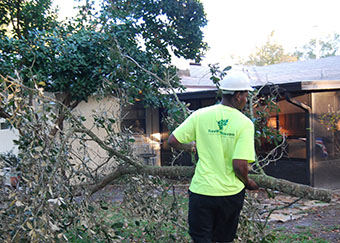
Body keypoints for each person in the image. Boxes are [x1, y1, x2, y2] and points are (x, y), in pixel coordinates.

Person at [168, 71, 258, 243]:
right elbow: (239, 165)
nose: (246, 100)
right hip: (230, 195)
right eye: (246, 96)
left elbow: (172, 140)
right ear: (238, 96)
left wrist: (190, 147)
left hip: (202, 191)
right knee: (224, 239)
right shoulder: (244, 123)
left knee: (201, 238)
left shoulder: (200, 115)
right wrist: (248, 182)